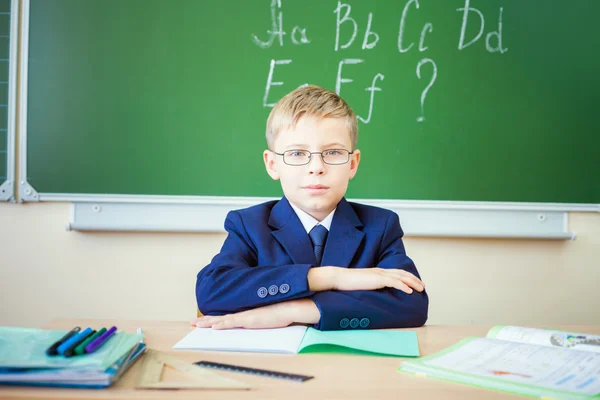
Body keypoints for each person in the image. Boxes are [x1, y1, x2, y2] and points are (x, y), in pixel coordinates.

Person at [191, 85, 428, 331]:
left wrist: (293, 310)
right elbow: (212, 292)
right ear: (272, 164)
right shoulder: (249, 225)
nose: (316, 167)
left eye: (333, 152)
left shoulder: (380, 226)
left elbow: (412, 305)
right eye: (296, 153)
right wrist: (331, 277)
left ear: (353, 163)